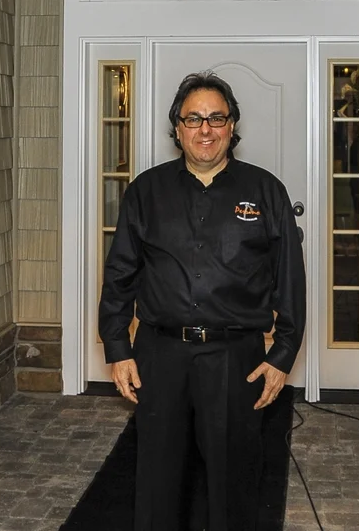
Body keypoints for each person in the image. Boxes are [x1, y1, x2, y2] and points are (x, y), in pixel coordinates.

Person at [98, 71, 307, 531]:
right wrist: (118, 348)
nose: (205, 129)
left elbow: (289, 280)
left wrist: (283, 355)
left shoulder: (265, 191)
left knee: (234, 479)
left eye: (216, 117)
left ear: (233, 126)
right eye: (193, 119)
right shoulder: (146, 192)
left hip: (236, 358)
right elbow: (120, 275)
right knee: (158, 476)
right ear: (177, 127)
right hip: (160, 354)